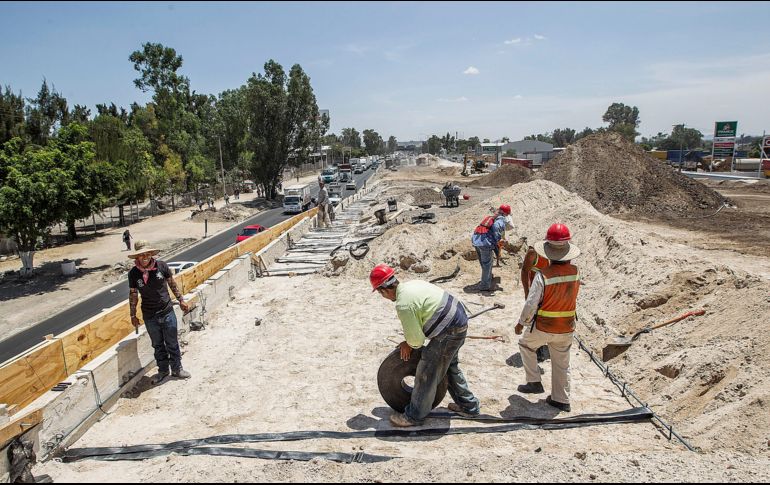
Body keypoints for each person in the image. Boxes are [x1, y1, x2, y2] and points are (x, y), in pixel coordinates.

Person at [370, 264, 480, 427]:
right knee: (449, 367)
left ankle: (414, 416)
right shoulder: (412, 284)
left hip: (449, 330)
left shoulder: (404, 304)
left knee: (427, 370)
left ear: (384, 290)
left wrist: (408, 344)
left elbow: (416, 341)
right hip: (459, 319)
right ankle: (468, 406)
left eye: (381, 293)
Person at [514, 224, 581, 412]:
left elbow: (531, 303)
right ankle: (561, 399)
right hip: (567, 327)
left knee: (526, 345)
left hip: (544, 326)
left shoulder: (543, 275)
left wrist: (521, 323)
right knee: (562, 363)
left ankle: (534, 381)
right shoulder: (575, 272)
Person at [128, 240, 192, 385]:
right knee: (157, 345)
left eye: (148, 254)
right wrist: (132, 314)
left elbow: (172, 284)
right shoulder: (133, 273)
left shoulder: (161, 266)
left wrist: (181, 300)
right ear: (137, 257)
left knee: (172, 342)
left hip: (167, 311)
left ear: (151, 254)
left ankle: (177, 369)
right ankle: (163, 371)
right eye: (141, 254)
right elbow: (133, 294)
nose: (145, 257)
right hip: (149, 315)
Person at [470, 205, 510, 293]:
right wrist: (499, 239)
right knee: (487, 264)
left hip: (477, 240)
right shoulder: (500, 220)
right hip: (485, 243)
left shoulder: (492, 217)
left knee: (484, 262)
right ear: (506, 214)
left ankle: (487, 278)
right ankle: (484, 286)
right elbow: (496, 226)